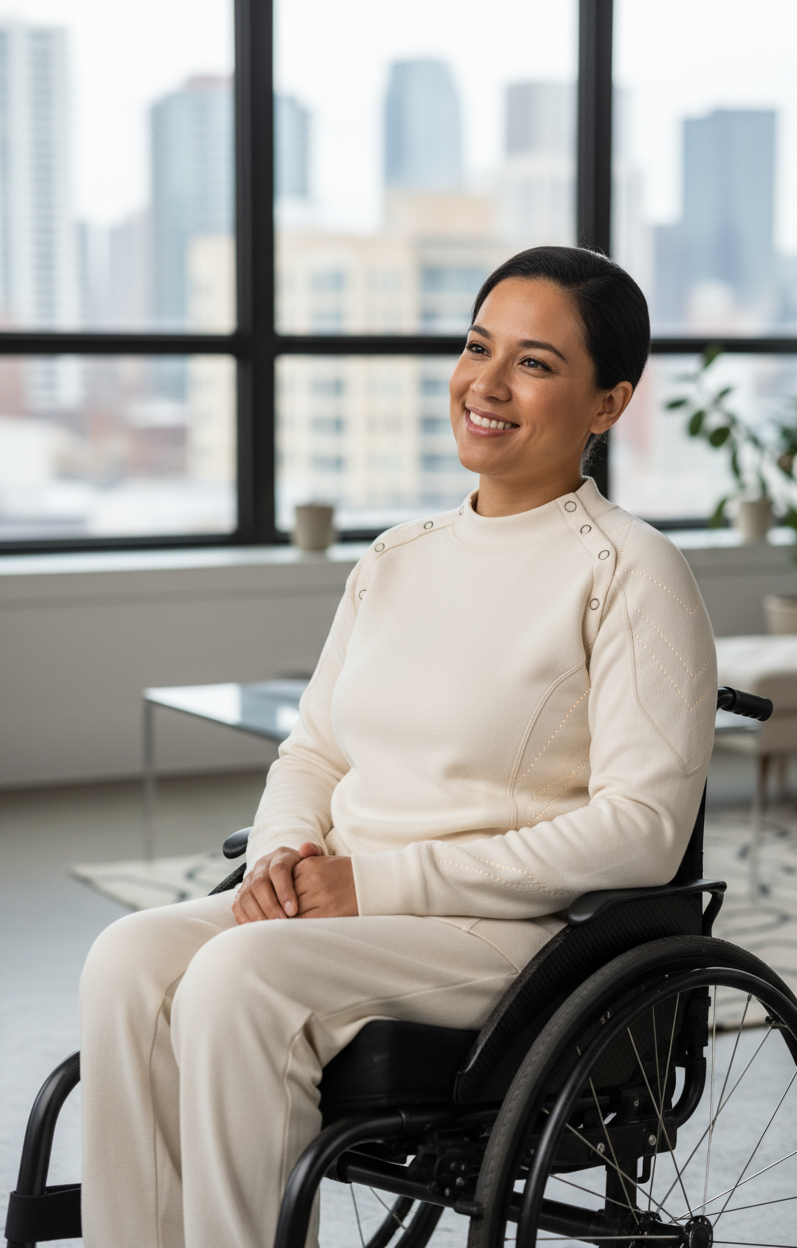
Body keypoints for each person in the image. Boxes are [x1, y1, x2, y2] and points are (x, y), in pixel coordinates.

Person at [79, 246, 717, 1248]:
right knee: (127, 958)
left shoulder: (632, 572)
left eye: (536, 363)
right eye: (477, 347)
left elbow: (637, 833)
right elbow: (316, 750)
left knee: (240, 980)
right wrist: (288, 855)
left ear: (607, 404)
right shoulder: (397, 558)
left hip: (509, 932)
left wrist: (371, 884)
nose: (488, 383)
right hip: (346, 907)